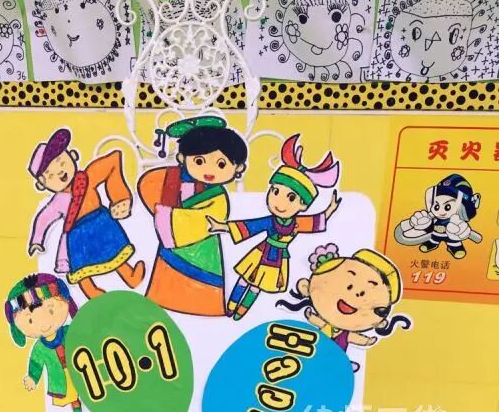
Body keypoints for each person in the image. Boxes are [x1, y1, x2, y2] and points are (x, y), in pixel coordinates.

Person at [208, 133, 340, 320]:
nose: (279, 201)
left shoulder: (296, 223)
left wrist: (330, 210)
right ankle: (231, 306)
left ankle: (240, 312)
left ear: (303, 205)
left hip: (277, 259)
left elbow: (316, 221)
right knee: (244, 280)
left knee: (256, 287)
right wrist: (222, 226)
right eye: (275, 191)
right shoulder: (270, 221)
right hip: (260, 253)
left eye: (291, 197)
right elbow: (249, 226)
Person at [138, 116, 248, 317]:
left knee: (202, 301)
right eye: (199, 161)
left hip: (204, 254)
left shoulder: (217, 196)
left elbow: (208, 220)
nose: (209, 170)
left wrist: (168, 216)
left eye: (221, 164)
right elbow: (147, 184)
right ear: (182, 159)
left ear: (238, 168)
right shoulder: (171, 178)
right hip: (170, 259)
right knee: (163, 300)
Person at [27, 128, 145, 300]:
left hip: (101, 224)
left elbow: (113, 161)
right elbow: (44, 218)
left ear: (72, 156)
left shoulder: (88, 177)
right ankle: (93, 294)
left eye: (61, 162)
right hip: (77, 235)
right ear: (42, 184)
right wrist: (37, 240)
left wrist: (120, 198)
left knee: (114, 252)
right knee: (82, 269)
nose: (60, 172)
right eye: (50, 174)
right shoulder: (58, 201)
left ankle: (131, 277)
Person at [278, 244, 411, 368]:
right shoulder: (325, 326)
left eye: (365, 291)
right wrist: (310, 316)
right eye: (349, 283)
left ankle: (339, 365)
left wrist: (366, 341)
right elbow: (317, 321)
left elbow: (354, 338)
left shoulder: (345, 334)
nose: (356, 293)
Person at [4, 273, 82, 412]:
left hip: (80, 367)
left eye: (51, 310)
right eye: (30, 320)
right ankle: (75, 403)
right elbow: (36, 363)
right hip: (59, 376)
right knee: (69, 393)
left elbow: (81, 335)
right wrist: (32, 378)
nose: (44, 324)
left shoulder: (68, 332)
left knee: (84, 385)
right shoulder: (40, 348)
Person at [394, 173, 482, 259]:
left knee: (454, 242)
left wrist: (461, 231)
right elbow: (428, 229)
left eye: (447, 207)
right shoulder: (434, 218)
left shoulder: (456, 221)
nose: (440, 211)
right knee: (433, 240)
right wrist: (423, 224)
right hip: (435, 236)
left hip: (452, 238)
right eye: (436, 206)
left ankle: (456, 248)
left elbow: (467, 233)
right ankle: (431, 244)